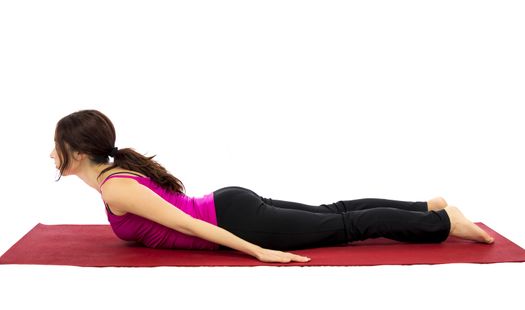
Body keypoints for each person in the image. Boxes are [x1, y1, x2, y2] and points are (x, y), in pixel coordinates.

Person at [50, 109, 494, 264]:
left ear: (76, 150)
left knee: (345, 227)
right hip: (232, 205)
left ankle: (441, 223)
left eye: (55, 146)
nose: (51, 154)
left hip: (237, 220)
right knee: (334, 211)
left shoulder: (114, 189)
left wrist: (255, 249)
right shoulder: (113, 179)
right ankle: (426, 206)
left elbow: (187, 223)